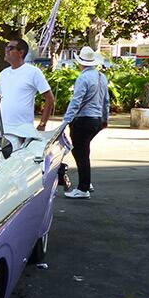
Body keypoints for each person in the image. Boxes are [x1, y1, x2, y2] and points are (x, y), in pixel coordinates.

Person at [62, 46, 110, 199]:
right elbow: (106, 101)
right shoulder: (102, 77)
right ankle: (86, 181)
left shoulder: (83, 78)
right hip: (96, 120)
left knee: (80, 152)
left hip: (83, 120)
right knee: (82, 151)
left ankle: (83, 188)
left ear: (80, 62)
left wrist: (66, 120)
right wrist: (105, 119)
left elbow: (76, 101)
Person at [0, 38, 55, 148]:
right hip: (3, 129)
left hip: (22, 130)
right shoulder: (3, 74)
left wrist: (42, 124)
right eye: (6, 47)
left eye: (10, 48)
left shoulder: (33, 72)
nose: (6, 50)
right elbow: (0, 99)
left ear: (21, 52)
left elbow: (50, 98)